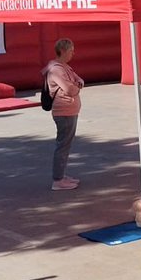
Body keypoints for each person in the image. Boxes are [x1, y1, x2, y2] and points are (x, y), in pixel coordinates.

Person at [44, 38, 84, 191]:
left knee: (65, 145)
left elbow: (79, 80)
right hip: (64, 112)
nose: (73, 53)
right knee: (63, 145)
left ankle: (61, 175)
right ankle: (58, 180)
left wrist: (77, 84)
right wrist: (77, 86)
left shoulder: (65, 67)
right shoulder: (56, 69)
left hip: (70, 110)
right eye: (71, 50)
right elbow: (70, 89)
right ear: (63, 51)